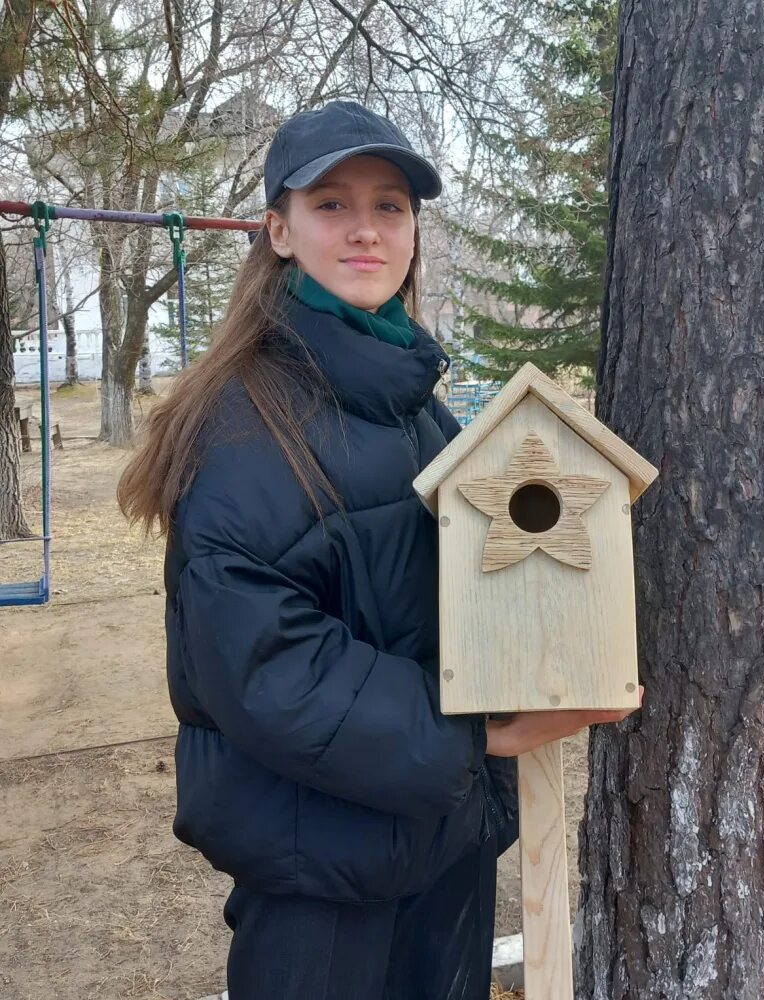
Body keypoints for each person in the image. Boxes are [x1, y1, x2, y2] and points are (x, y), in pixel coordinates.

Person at [118, 100, 641, 1000]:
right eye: (332, 204)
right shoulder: (243, 425)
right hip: (319, 876)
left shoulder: (417, 406)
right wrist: (477, 730)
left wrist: (556, 647)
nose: (366, 229)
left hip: (442, 849)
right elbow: (267, 667)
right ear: (279, 230)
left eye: (390, 206)